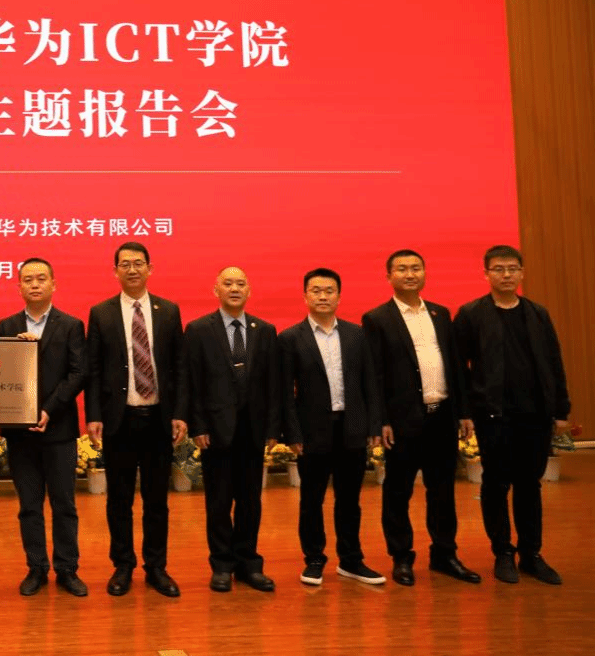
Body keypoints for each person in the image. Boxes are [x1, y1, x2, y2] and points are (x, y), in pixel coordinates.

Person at [361, 249, 481, 586]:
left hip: (441, 417)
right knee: (398, 492)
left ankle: (444, 554)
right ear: (389, 276)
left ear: (425, 273)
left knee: (442, 490)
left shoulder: (441, 314)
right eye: (402, 269)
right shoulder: (377, 318)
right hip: (401, 422)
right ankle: (401, 557)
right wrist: (381, 420)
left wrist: (463, 411)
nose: (410, 274)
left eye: (416, 268)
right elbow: (374, 374)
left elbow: (455, 365)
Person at [454, 245, 570, 585]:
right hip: (493, 415)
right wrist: (464, 411)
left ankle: (531, 554)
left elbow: (554, 362)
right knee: (496, 482)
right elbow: (459, 368)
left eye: (512, 269)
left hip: (535, 415)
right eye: (499, 269)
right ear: (486, 274)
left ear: (521, 273)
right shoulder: (471, 314)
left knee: (529, 485)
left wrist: (560, 409)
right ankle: (503, 552)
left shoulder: (537, 313)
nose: (506, 275)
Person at [84, 241, 185, 598]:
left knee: (157, 500)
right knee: (120, 500)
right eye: (124, 264)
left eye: (138, 263)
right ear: (115, 271)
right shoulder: (101, 313)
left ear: (149, 268)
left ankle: (156, 567)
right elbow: (94, 369)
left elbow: (179, 367)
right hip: (120, 419)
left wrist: (180, 413)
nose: (132, 269)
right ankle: (123, 565)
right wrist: (93, 415)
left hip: (158, 418)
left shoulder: (168, 311)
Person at [279, 268, 385, 587]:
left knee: (349, 500)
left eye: (329, 290)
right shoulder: (290, 338)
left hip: (352, 428)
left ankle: (351, 560)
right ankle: (314, 560)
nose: (323, 296)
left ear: (339, 296)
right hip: (312, 432)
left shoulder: (356, 335)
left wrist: (373, 425)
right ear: (305, 296)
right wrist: (292, 433)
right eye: (316, 290)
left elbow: (370, 383)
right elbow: (284, 392)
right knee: (311, 500)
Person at [182, 266, 280, 593]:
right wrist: (198, 425)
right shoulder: (198, 330)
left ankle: (249, 564)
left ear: (249, 290)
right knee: (219, 503)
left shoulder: (265, 330)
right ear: (216, 290)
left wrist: (272, 428)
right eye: (228, 283)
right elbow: (192, 381)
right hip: (215, 432)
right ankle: (222, 565)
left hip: (253, 431)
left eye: (240, 283)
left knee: (251, 502)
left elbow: (273, 384)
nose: (234, 288)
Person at [0, 257, 89, 597]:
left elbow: (78, 373)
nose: (34, 284)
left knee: (64, 504)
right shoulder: (7, 326)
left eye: (40, 278)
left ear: (53, 284)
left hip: (59, 429)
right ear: (19, 286)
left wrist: (49, 409)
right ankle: (36, 568)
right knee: (29, 506)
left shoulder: (71, 325)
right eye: (28, 279)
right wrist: (16, 353)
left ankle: (67, 569)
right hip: (19, 433)